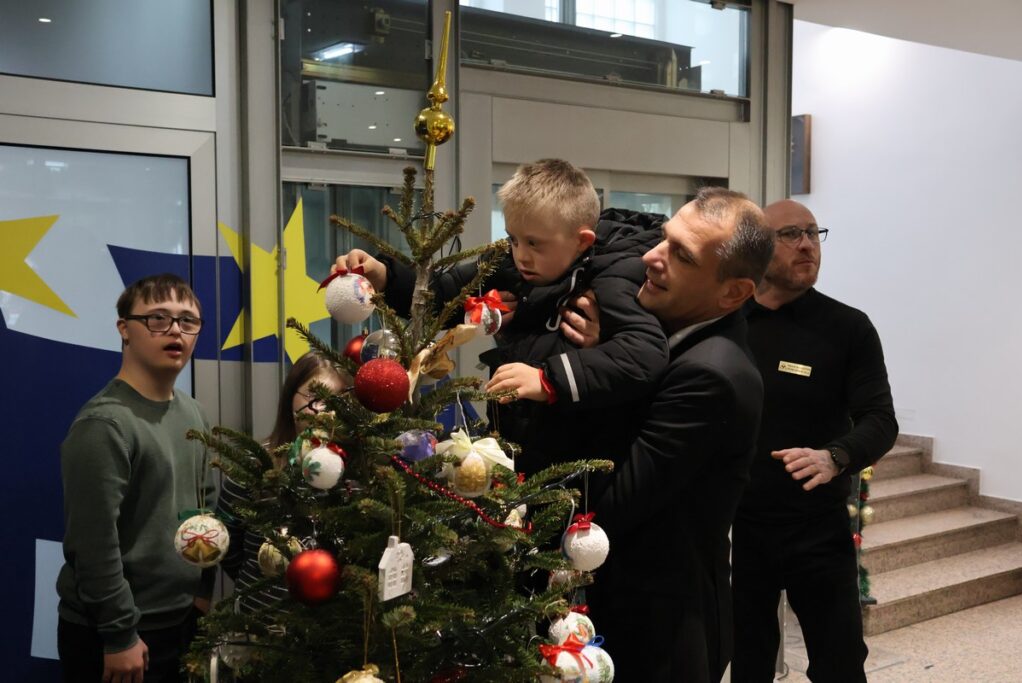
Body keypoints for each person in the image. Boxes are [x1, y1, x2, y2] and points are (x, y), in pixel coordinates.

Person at [335, 159, 669, 473]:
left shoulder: (612, 276)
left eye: (535, 244)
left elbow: (644, 353)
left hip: (577, 466)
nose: (520, 255)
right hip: (514, 450)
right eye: (513, 239)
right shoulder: (509, 264)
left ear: (582, 242)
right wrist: (384, 275)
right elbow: (443, 293)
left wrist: (546, 379)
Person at [586, 187, 775, 682]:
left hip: (659, 633)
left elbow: (615, 503)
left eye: (680, 255)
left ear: (733, 293)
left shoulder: (713, 374)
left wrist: (593, 373)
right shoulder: (664, 334)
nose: (651, 256)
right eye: (663, 239)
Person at [730, 199, 898, 682]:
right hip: (738, 527)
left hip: (815, 526)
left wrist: (835, 456)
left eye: (813, 233)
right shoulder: (728, 321)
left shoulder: (847, 328)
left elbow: (880, 420)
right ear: (759, 247)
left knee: (840, 661)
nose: (806, 244)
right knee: (748, 659)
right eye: (790, 235)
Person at [57, 273, 214, 683]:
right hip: (114, 635)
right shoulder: (105, 423)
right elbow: (93, 544)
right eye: (158, 318)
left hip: (179, 621)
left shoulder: (192, 412)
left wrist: (202, 591)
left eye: (188, 320)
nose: (175, 330)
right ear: (125, 329)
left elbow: (205, 511)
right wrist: (120, 634)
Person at [216, 352, 350, 613]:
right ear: (291, 396)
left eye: (337, 400)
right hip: (261, 623)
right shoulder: (257, 464)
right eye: (314, 396)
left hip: (333, 629)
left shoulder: (354, 470)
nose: (324, 411)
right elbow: (227, 540)